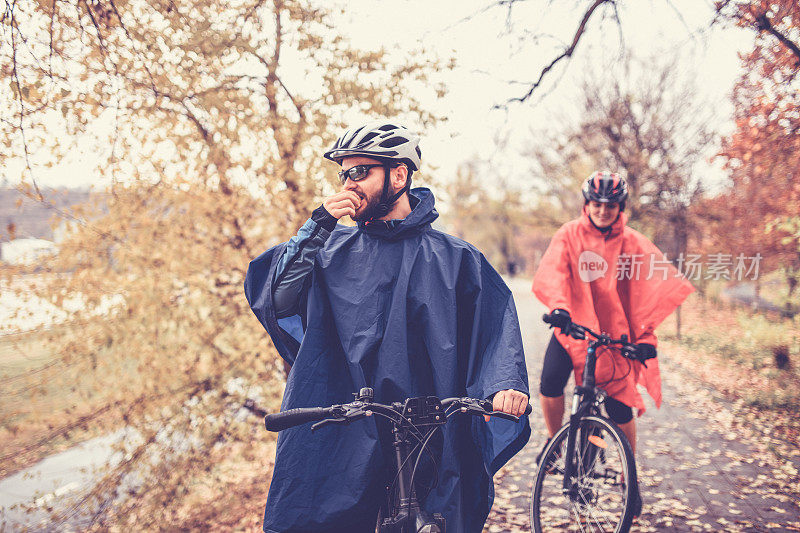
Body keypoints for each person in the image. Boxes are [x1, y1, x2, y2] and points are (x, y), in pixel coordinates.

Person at [244, 120, 531, 532]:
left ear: (399, 175)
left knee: (441, 514)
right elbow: (278, 299)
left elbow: (495, 327)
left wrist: (504, 384)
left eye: (361, 171)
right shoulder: (328, 252)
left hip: (433, 428)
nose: (349, 183)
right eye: (343, 173)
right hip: (343, 422)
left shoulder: (456, 259)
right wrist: (317, 227)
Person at [531, 170, 694, 515]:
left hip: (613, 337)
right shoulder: (569, 235)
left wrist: (647, 337)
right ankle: (553, 440)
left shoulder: (633, 243)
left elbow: (645, 294)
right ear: (586, 204)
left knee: (620, 407)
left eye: (610, 205)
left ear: (620, 207)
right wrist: (560, 308)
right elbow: (555, 272)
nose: (603, 210)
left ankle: (628, 475)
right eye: (597, 203)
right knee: (549, 382)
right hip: (572, 328)